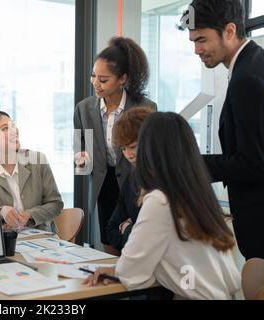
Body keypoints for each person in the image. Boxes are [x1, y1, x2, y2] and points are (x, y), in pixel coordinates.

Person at [84, 112, 241, 300]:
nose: (130, 155)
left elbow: (131, 270)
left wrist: (119, 268)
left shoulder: (160, 200)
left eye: (136, 146)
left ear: (149, 150)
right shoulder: (196, 192)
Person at [180, 0, 264, 260]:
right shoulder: (253, 64)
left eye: (202, 40)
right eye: (193, 41)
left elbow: (254, 163)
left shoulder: (246, 78)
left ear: (229, 31)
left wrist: (191, 166)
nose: (196, 50)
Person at [74, 37, 156, 253]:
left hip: (137, 183)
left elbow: (153, 151)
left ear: (122, 79)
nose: (95, 84)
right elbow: (80, 144)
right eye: (93, 76)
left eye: (103, 79)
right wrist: (80, 158)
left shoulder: (145, 107)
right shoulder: (83, 109)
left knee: (137, 241)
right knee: (109, 240)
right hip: (104, 182)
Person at [0, 110, 63, 233]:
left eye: (13, 125)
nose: (13, 131)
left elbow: (56, 204)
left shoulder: (38, 161)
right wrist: (1, 211)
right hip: (7, 241)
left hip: (43, 238)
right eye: (5, 128)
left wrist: (30, 214)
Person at [106, 107, 154, 256]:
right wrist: (132, 231)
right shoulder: (132, 178)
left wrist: (127, 229)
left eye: (133, 147)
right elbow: (111, 230)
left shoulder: (170, 180)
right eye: (123, 149)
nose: (128, 155)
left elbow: (149, 239)